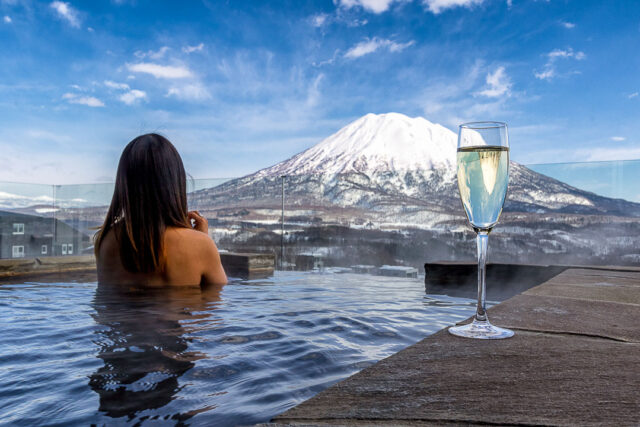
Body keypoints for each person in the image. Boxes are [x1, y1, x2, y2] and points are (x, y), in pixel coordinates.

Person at [94, 133, 227, 287]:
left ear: (124, 185)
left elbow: (107, 305)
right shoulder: (200, 245)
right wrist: (201, 240)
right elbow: (212, 306)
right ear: (176, 182)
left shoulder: (106, 241)